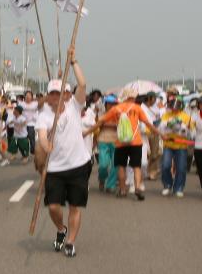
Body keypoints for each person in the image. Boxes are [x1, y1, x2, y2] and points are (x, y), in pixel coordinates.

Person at [36, 50, 92, 258]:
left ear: (66, 95)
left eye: (58, 93)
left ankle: (70, 242)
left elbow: (83, 84)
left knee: (75, 207)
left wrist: (74, 61)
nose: (55, 97)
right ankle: (61, 229)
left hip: (78, 165)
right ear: (48, 97)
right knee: (53, 207)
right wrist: (45, 144)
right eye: (52, 94)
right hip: (55, 169)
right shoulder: (44, 115)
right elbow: (42, 135)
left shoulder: (74, 106)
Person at [101, 93, 157, 199]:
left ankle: (122, 190)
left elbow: (101, 120)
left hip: (120, 142)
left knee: (121, 166)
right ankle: (137, 188)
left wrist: (88, 131)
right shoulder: (137, 108)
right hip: (135, 142)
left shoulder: (116, 109)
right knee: (136, 167)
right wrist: (159, 133)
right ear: (132, 98)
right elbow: (148, 123)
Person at [158, 95, 196, 198]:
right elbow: (160, 128)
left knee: (181, 168)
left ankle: (179, 188)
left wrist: (184, 127)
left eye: (177, 105)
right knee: (165, 166)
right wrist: (167, 127)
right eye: (173, 105)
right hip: (168, 144)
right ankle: (167, 185)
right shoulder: (166, 115)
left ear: (181, 106)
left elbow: (191, 132)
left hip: (181, 145)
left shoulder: (186, 117)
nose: (175, 107)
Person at [94, 93, 120, 193]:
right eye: (109, 104)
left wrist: (107, 124)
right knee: (103, 165)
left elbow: (121, 126)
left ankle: (110, 185)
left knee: (115, 165)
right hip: (103, 140)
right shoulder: (101, 114)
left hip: (117, 141)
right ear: (105, 104)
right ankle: (102, 178)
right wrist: (94, 141)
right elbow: (96, 127)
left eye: (114, 104)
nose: (111, 106)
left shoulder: (120, 115)